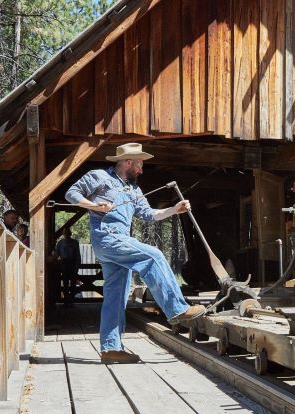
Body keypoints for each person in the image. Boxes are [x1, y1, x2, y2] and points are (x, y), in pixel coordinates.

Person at [65, 142, 206, 363]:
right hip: (108, 238)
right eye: (140, 164)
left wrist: (174, 210)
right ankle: (177, 309)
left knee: (115, 296)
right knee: (154, 256)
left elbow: (149, 214)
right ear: (128, 162)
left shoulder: (134, 189)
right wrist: (93, 206)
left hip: (119, 242)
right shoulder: (100, 177)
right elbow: (71, 193)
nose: (141, 169)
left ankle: (111, 349)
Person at [55, 227, 81, 307]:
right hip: (64, 265)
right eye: (65, 233)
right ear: (63, 234)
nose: (66, 234)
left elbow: (77, 255)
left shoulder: (75, 242)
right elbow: (56, 254)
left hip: (73, 264)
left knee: (73, 284)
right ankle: (66, 302)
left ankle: (71, 301)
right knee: (65, 284)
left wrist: (77, 266)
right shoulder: (60, 243)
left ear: (70, 233)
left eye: (67, 232)